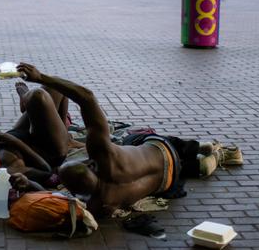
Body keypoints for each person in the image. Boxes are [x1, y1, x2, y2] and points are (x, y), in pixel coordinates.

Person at [15, 63, 242, 216]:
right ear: (91, 165)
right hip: (161, 149)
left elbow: (54, 196)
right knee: (134, 139)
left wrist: (29, 185)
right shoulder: (104, 154)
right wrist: (41, 77)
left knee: (184, 166)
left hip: (167, 184)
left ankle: (214, 159)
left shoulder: (97, 206)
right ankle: (206, 147)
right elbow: (87, 97)